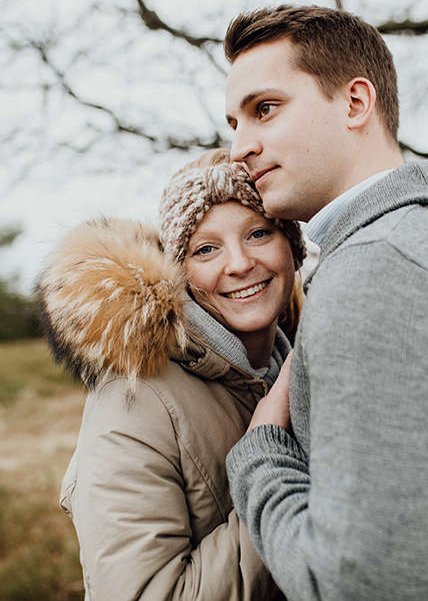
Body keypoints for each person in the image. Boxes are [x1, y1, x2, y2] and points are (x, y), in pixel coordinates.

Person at [222, 5, 428, 599]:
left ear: (355, 103)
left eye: (264, 109)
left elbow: (360, 586)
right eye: (233, 123)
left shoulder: (385, 272)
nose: (240, 147)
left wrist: (259, 460)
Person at [38, 148, 304, 600]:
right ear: (180, 273)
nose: (239, 263)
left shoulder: (300, 360)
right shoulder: (134, 400)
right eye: (206, 248)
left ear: (292, 247)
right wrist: (281, 468)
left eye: (259, 233)